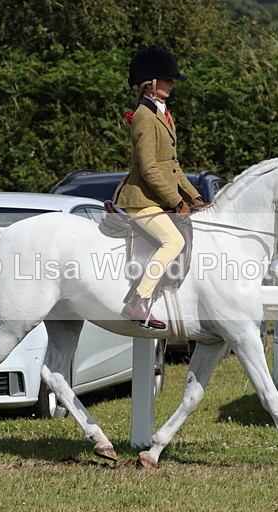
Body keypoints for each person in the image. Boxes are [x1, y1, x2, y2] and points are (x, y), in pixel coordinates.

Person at [113, 45, 205, 329]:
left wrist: (195, 197)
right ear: (150, 83)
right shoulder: (143, 116)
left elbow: (172, 166)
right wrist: (175, 202)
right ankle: (138, 301)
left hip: (154, 198)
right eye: (167, 79)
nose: (172, 84)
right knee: (173, 241)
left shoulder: (163, 114)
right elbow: (150, 168)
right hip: (139, 199)